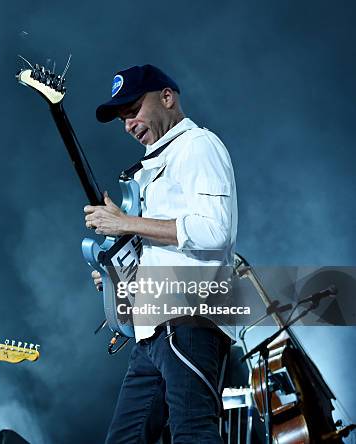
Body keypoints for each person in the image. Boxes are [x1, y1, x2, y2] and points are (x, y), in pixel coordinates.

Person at [84, 65, 238, 443]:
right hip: (152, 330)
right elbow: (155, 248)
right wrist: (113, 276)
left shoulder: (198, 146)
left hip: (190, 318)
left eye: (133, 110)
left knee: (194, 433)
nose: (128, 125)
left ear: (167, 98)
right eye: (122, 118)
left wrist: (125, 225)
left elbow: (214, 231)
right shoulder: (146, 169)